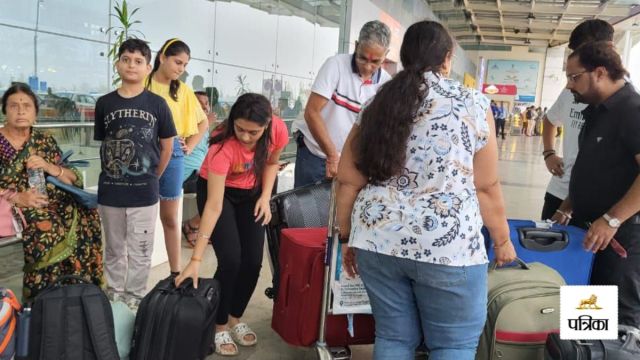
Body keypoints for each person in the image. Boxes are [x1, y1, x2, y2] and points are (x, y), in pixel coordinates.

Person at [335, 21, 516, 360]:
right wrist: (503, 241)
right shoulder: (473, 104)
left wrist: (347, 236)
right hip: (449, 247)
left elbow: (347, 179)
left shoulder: (378, 103)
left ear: (403, 58)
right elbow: (487, 186)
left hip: (378, 239)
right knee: (453, 345)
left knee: (393, 338)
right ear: (447, 59)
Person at [175, 93, 289, 356]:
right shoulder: (221, 146)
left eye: (254, 132)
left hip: (252, 191)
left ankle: (235, 317)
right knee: (231, 260)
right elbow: (213, 207)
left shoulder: (278, 130)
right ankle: (219, 324)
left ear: (267, 125)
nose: (246, 137)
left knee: (252, 262)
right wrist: (195, 259)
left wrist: (264, 197)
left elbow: (272, 163)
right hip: (219, 192)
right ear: (232, 122)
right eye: (240, 129)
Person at [0, 83, 104, 300]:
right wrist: (18, 197)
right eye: (14, 106)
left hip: (51, 199)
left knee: (87, 216)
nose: (20, 111)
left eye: (27, 106)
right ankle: (43, 298)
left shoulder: (44, 140)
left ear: (35, 113)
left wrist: (49, 167)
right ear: (4, 111)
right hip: (14, 205)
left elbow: (72, 176)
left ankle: (78, 292)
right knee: (47, 228)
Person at [94, 39, 176, 310]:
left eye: (138, 61)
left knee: (141, 252)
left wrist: (153, 175)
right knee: (115, 250)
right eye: (126, 59)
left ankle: (135, 299)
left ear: (148, 67)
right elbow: (104, 144)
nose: (131, 65)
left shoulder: (158, 104)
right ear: (117, 63)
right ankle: (114, 296)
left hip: (144, 193)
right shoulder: (104, 103)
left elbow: (167, 146)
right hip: (111, 193)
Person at [565, 41, 640, 327]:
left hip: (621, 238)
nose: (570, 86)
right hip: (590, 232)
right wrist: (568, 205)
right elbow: (596, 166)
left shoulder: (632, 111)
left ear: (599, 72)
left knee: (619, 319)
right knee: (588, 313)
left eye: (574, 77)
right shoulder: (597, 111)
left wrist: (611, 219)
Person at [292, 20, 391, 188]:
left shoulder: (385, 84)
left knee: (338, 212)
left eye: (375, 62)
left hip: (348, 161)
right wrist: (332, 156)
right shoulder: (336, 65)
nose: (367, 67)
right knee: (305, 211)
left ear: (385, 55)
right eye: (362, 58)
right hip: (314, 154)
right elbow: (312, 112)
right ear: (356, 45)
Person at [540, 19, 614, 223]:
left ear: (607, 50)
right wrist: (549, 153)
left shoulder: (623, 102)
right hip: (560, 190)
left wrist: (614, 219)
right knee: (546, 251)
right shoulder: (572, 90)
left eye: (585, 53)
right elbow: (550, 119)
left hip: (595, 202)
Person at [146, 38, 208, 277]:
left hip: (174, 157)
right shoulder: (144, 83)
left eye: (184, 65)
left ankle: (176, 271)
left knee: (170, 217)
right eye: (177, 62)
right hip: (144, 155)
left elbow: (202, 122)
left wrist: (188, 147)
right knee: (143, 216)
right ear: (162, 57)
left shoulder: (182, 91)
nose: (181, 68)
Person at [181, 90, 218, 247]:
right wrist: (205, 123)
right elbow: (185, 145)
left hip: (199, 172)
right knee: (218, 193)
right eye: (199, 103)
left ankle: (194, 225)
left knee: (224, 190)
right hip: (185, 175)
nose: (204, 107)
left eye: (206, 103)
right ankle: (192, 225)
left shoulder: (204, 125)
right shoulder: (185, 122)